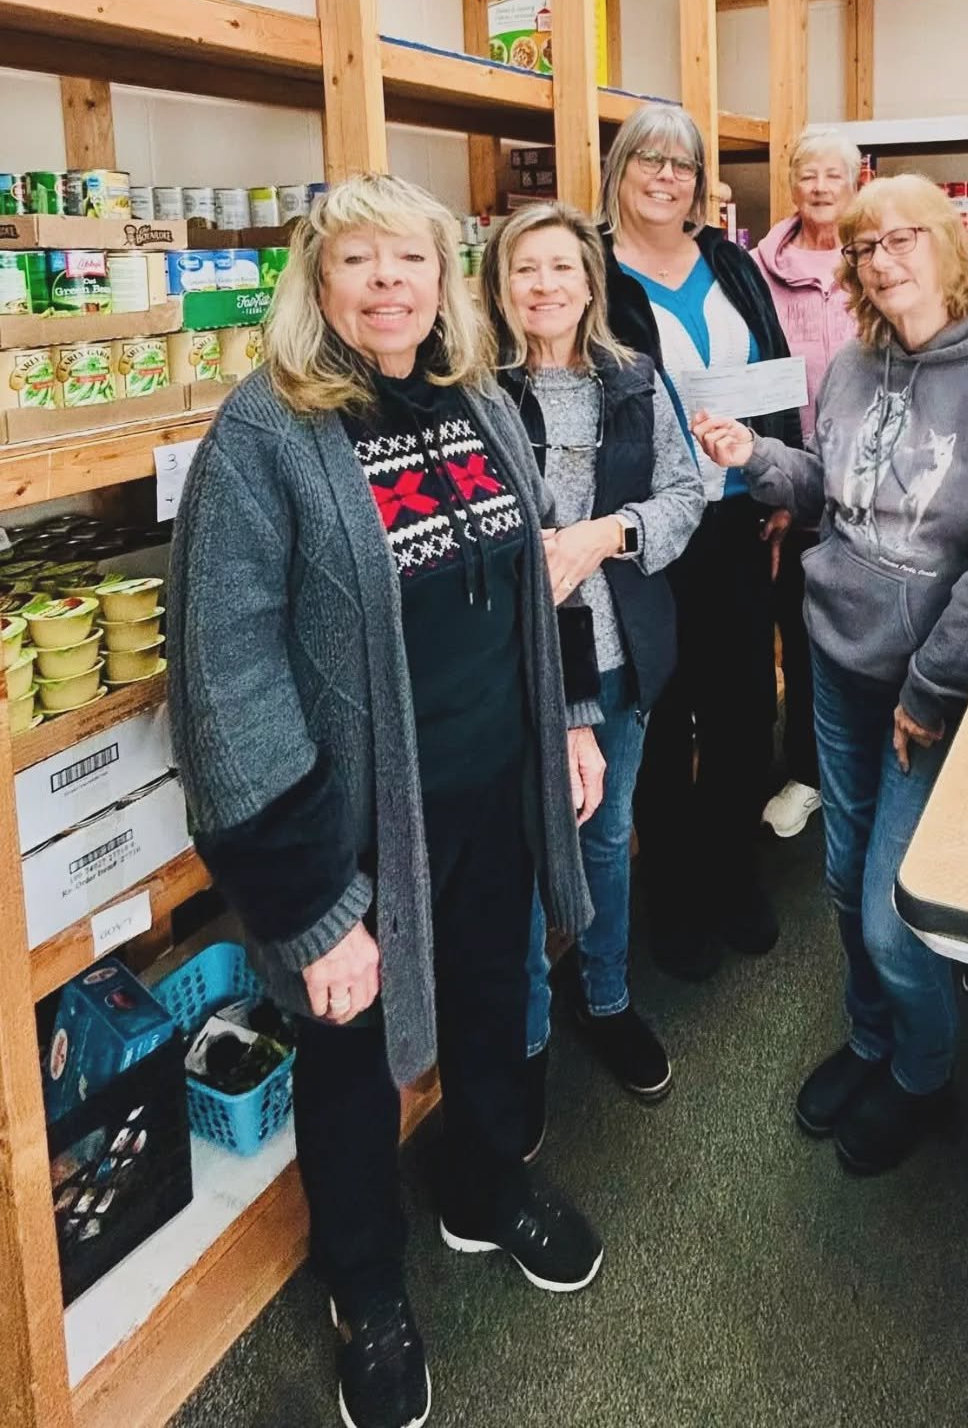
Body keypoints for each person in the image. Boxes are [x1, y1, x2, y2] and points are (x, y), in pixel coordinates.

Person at [167, 173, 607, 1428]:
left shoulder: (478, 399)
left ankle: (481, 1187)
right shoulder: (265, 437)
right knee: (350, 1063)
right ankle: (365, 1289)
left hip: (490, 789)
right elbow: (228, 683)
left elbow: (537, 574)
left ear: (442, 275)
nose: (387, 283)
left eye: (408, 259)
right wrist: (310, 907)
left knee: (486, 1001)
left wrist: (570, 717)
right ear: (317, 280)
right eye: (357, 261)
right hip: (354, 836)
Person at [692, 174, 968, 1175]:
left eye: (907, 238)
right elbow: (830, 487)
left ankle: (922, 1073)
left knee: (897, 910)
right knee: (841, 872)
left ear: (955, 248)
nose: (885, 258)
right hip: (837, 658)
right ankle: (872, 1042)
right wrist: (756, 460)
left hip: (931, 690)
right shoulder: (857, 365)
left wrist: (932, 688)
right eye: (865, 246)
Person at [477, 201, 704, 1140]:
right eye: (524, 269)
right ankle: (526, 1033)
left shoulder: (635, 380)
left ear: (589, 281)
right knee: (524, 853)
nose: (544, 286)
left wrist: (610, 532)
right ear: (498, 284)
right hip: (509, 669)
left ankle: (604, 996)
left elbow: (687, 494)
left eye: (561, 268)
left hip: (620, 660)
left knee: (607, 837)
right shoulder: (474, 392)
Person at [598, 102, 804, 983]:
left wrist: (779, 477)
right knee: (662, 711)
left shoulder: (729, 262)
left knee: (741, 707)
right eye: (648, 159)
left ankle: (732, 874)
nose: (665, 175)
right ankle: (674, 896)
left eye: (683, 165)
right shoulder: (592, 269)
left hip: (733, 516)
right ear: (620, 170)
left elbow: (777, 367)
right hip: (644, 526)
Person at [751, 126, 863, 841]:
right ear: (791, 183)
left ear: (858, 180)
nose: (820, 187)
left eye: (833, 175)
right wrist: (783, 487)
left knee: (866, 631)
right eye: (807, 175)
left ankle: (869, 767)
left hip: (868, 481)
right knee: (795, 623)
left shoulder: (879, 250)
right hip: (787, 478)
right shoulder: (756, 266)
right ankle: (807, 773)